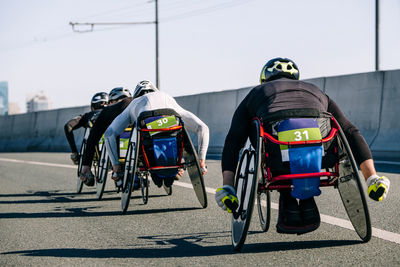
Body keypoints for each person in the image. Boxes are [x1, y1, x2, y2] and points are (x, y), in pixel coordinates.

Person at [215, 57, 390, 234]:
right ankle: (373, 180)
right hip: (322, 151)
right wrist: (371, 176)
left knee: (259, 134)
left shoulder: (256, 91)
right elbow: (350, 130)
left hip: (277, 154)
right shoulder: (315, 90)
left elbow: (233, 140)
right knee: (339, 130)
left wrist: (229, 185)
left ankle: (283, 198)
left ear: (264, 79)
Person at [104, 80, 209, 190]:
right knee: (185, 128)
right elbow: (203, 128)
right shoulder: (167, 97)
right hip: (172, 131)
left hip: (148, 142)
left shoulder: (133, 103)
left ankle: (146, 170)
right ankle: (197, 163)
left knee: (139, 133)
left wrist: (116, 166)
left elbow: (109, 133)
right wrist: (201, 160)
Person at [79, 87, 133, 186]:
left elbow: (93, 138)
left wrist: (86, 165)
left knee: (110, 133)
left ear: (113, 101)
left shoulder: (109, 110)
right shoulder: (134, 103)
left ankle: (116, 169)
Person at [64, 92, 109, 164]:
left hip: (96, 149)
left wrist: (74, 151)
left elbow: (68, 126)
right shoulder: (115, 113)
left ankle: (85, 171)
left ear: (92, 106)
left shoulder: (88, 115)